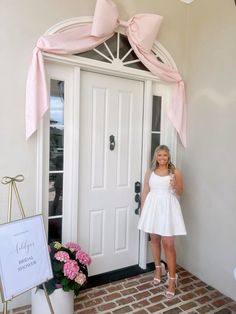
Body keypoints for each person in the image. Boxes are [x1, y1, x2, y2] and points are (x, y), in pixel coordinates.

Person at [137, 144, 186, 299]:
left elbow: (180, 192)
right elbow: (145, 191)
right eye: (159, 155)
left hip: (168, 210)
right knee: (155, 240)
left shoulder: (175, 172)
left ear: (168, 156)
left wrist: (175, 185)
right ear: (156, 157)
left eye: (165, 155)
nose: (162, 158)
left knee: (169, 245)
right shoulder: (150, 172)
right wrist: (144, 211)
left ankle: (172, 280)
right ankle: (158, 269)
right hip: (152, 209)